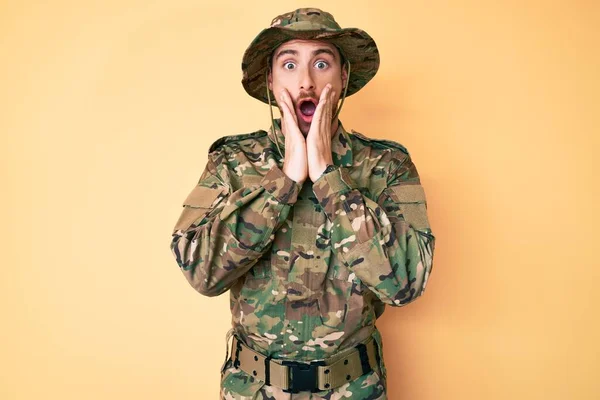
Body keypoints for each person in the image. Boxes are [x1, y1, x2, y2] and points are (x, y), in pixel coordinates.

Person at [170, 7, 435, 399]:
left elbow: (405, 284)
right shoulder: (233, 162)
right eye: (289, 64)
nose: (306, 82)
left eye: (322, 63)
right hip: (253, 389)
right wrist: (286, 179)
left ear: (343, 77)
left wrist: (329, 176)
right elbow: (202, 272)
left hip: (355, 389)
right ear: (270, 79)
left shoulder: (386, 166)